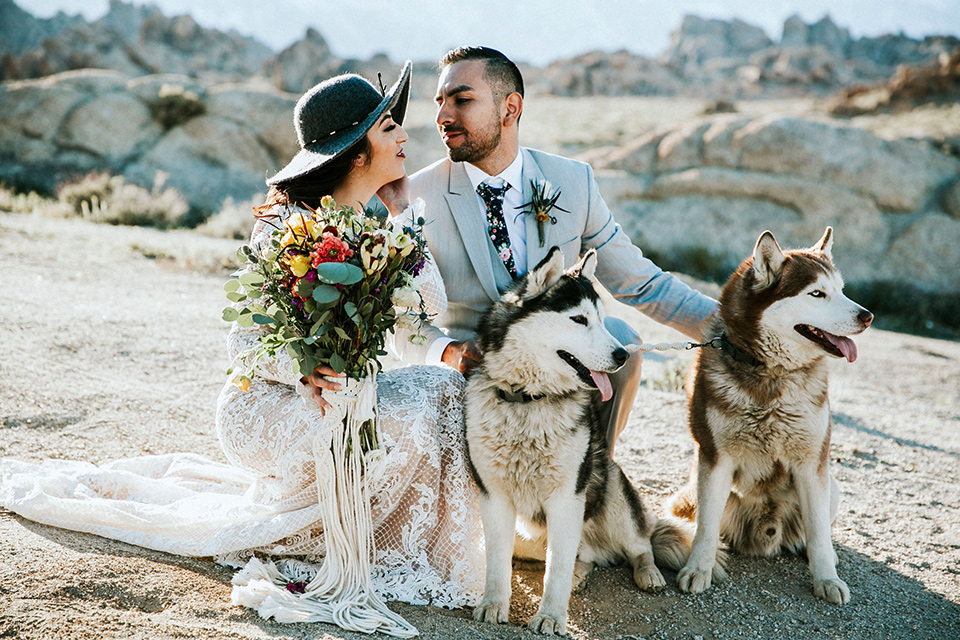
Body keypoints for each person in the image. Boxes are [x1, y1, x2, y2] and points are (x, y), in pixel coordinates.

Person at [0, 62, 484, 612]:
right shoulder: (286, 227)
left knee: (445, 391)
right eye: (388, 126)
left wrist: (399, 210)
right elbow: (246, 347)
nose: (404, 134)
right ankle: (329, 539)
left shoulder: (378, 224)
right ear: (355, 153)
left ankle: (419, 550)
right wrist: (306, 370)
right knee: (369, 412)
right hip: (266, 405)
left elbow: (429, 306)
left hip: (342, 392)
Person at [393, 47, 718, 452]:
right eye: (439, 102)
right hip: (473, 377)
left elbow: (641, 283)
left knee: (620, 339)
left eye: (462, 100)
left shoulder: (572, 181)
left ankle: (589, 484)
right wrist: (447, 352)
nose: (443, 116)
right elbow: (398, 315)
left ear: (510, 108)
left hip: (558, 368)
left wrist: (741, 325)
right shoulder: (417, 197)